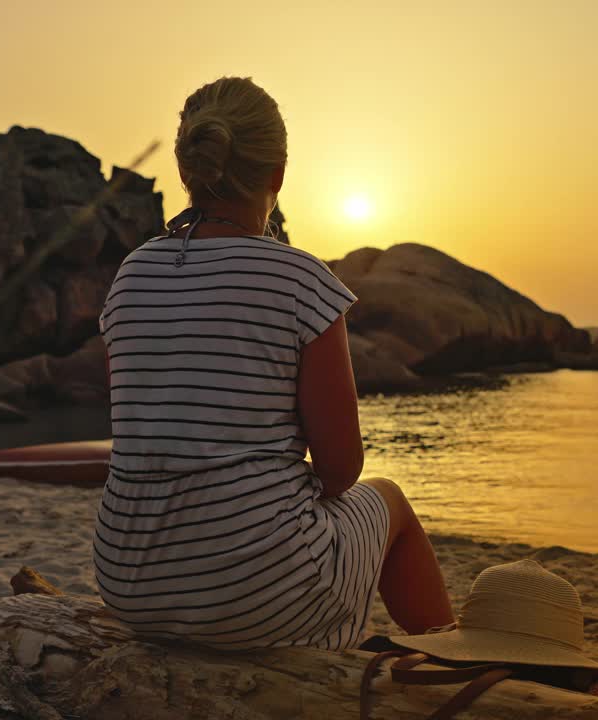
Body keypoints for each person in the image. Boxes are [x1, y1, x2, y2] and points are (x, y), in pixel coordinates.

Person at [91, 76, 454, 651]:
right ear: (278, 176)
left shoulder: (132, 274)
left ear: (188, 172)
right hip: (257, 594)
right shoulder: (301, 279)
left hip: (132, 584)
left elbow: (137, 425)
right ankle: (448, 661)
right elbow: (341, 469)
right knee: (391, 503)